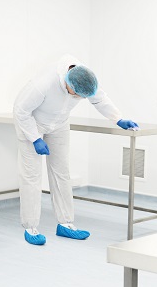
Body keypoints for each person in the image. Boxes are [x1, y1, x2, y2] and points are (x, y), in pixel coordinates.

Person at [13, 55, 139, 244]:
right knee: (31, 176)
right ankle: (30, 228)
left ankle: (65, 224)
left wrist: (118, 119)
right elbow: (20, 111)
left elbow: (100, 100)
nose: (78, 98)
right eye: (76, 95)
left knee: (62, 173)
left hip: (59, 124)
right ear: (66, 83)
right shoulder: (43, 84)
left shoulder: (85, 78)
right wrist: (35, 138)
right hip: (32, 124)